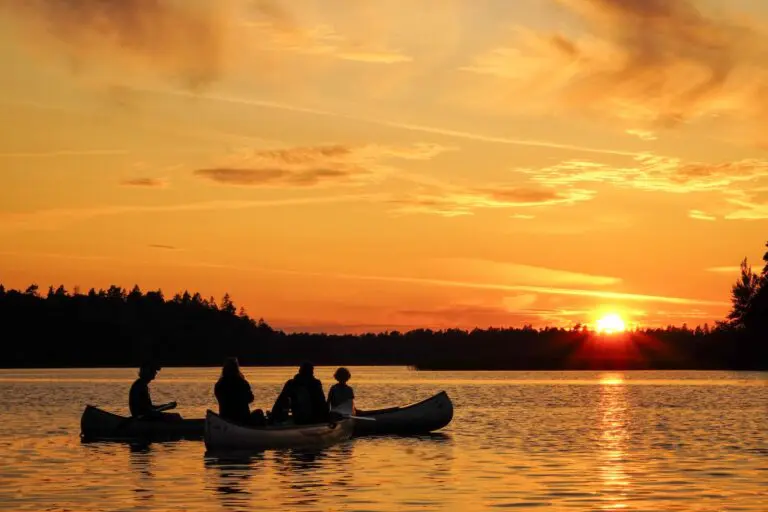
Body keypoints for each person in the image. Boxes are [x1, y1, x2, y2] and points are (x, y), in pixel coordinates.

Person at [214, 357, 265, 426]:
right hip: (243, 420)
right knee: (259, 412)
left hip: (225, 418)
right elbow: (251, 398)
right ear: (236, 369)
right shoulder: (242, 382)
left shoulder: (219, 384)